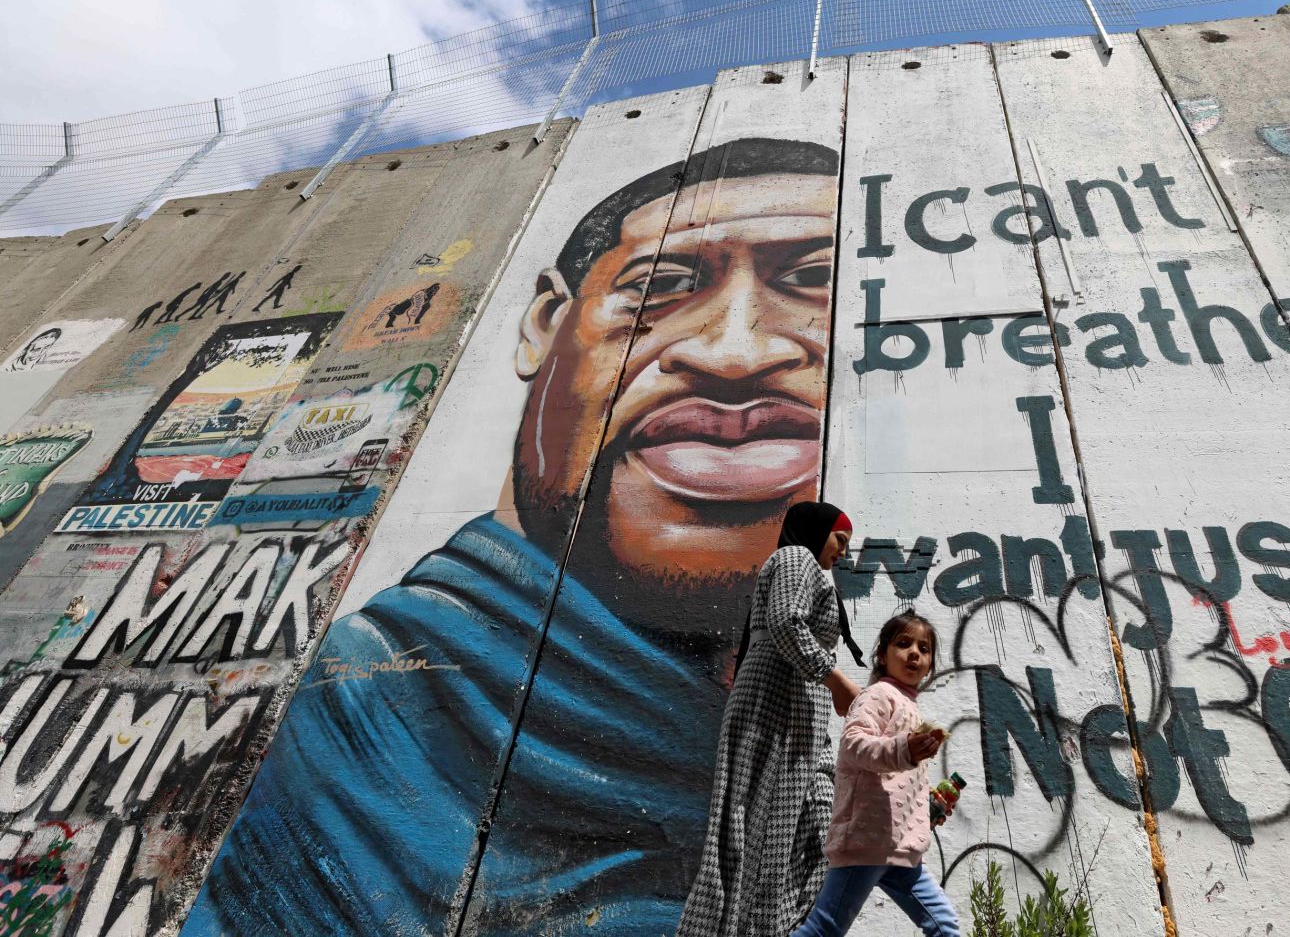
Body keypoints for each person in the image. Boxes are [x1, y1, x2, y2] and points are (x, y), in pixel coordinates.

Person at [186, 137, 845, 936]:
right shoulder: (373, 701)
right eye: (662, 286)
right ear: (542, 324)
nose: (737, 352)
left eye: (811, 280)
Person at [679, 501, 866, 937]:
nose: (843, 551)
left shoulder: (810, 570)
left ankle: (774, 927)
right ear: (818, 530)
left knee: (820, 830)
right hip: (773, 708)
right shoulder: (794, 558)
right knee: (757, 835)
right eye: (841, 539)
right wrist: (834, 680)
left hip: (801, 722)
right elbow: (785, 622)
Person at [792, 612, 959, 937]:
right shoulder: (878, 696)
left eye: (924, 649)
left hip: (900, 849)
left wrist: (925, 808)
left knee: (944, 926)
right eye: (903, 644)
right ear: (882, 656)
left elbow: (894, 781)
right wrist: (904, 750)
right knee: (822, 929)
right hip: (866, 841)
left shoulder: (909, 706)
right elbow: (854, 746)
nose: (914, 653)